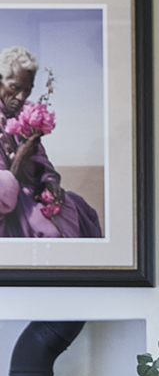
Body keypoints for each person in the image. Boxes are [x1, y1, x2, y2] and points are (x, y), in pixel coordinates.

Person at [0, 45, 102, 239]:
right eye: (15, 87)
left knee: (82, 211)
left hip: (32, 195)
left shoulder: (28, 114)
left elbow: (42, 162)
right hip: (9, 207)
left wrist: (50, 182)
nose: (21, 97)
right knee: (52, 232)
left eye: (27, 90)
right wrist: (20, 158)